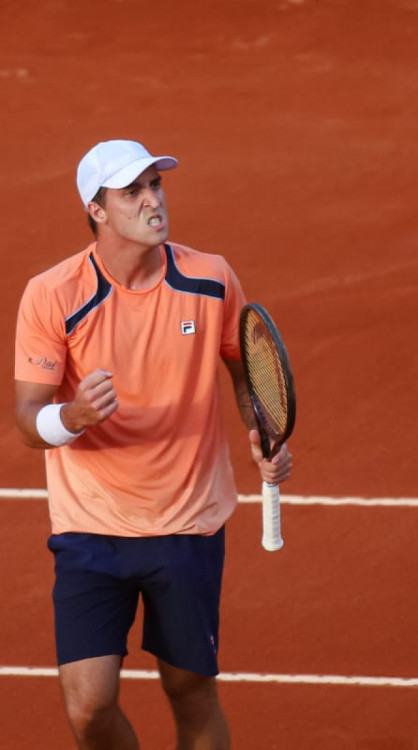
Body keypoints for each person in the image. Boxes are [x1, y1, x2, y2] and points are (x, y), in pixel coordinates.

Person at [12, 139, 292, 749]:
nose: (152, 201)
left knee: (190, 691)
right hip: (91, 528)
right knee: (89, 708)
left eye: (156, 186)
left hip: (186, 524)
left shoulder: (211, 278)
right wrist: (76, 414)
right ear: (97, 209)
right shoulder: (53, 294)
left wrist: (260, 430)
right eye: (132, 192)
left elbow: (246, 375)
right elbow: (28, 421)